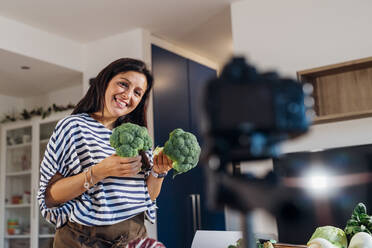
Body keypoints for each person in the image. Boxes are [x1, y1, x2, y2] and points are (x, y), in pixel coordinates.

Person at [37, 58, 173, 248]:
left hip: (134, 237)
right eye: (123, 84)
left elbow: (145, 197)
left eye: (137, 92)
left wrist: (158, 172)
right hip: (84, 239)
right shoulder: (73, 127)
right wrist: (99, 171)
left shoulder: (137, 135)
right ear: (105, 82)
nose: (128, 95)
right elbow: (50, 196)